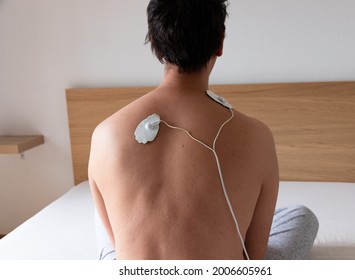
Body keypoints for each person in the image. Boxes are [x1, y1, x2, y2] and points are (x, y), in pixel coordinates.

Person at [88, 0, 318, 260]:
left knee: (104, 213)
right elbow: (253, 257)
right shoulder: (257, 137)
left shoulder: (104, 134)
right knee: (301, 216)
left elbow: (117, 244)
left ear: (154, 41)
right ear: (220, 43)